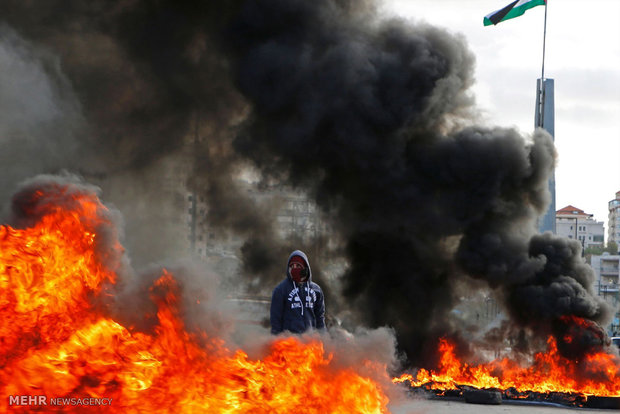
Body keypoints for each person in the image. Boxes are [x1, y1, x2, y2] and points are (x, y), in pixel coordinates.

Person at [270, 250, 325, 335]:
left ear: (305, 267)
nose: (294, 268)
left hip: (311, 341)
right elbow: (275, 320)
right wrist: (276, 339)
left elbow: (320, 318)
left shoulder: (316, 290)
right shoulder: (280, 290)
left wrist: (324, 337)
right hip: (290, 341)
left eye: (298, 266)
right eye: (292, 266)